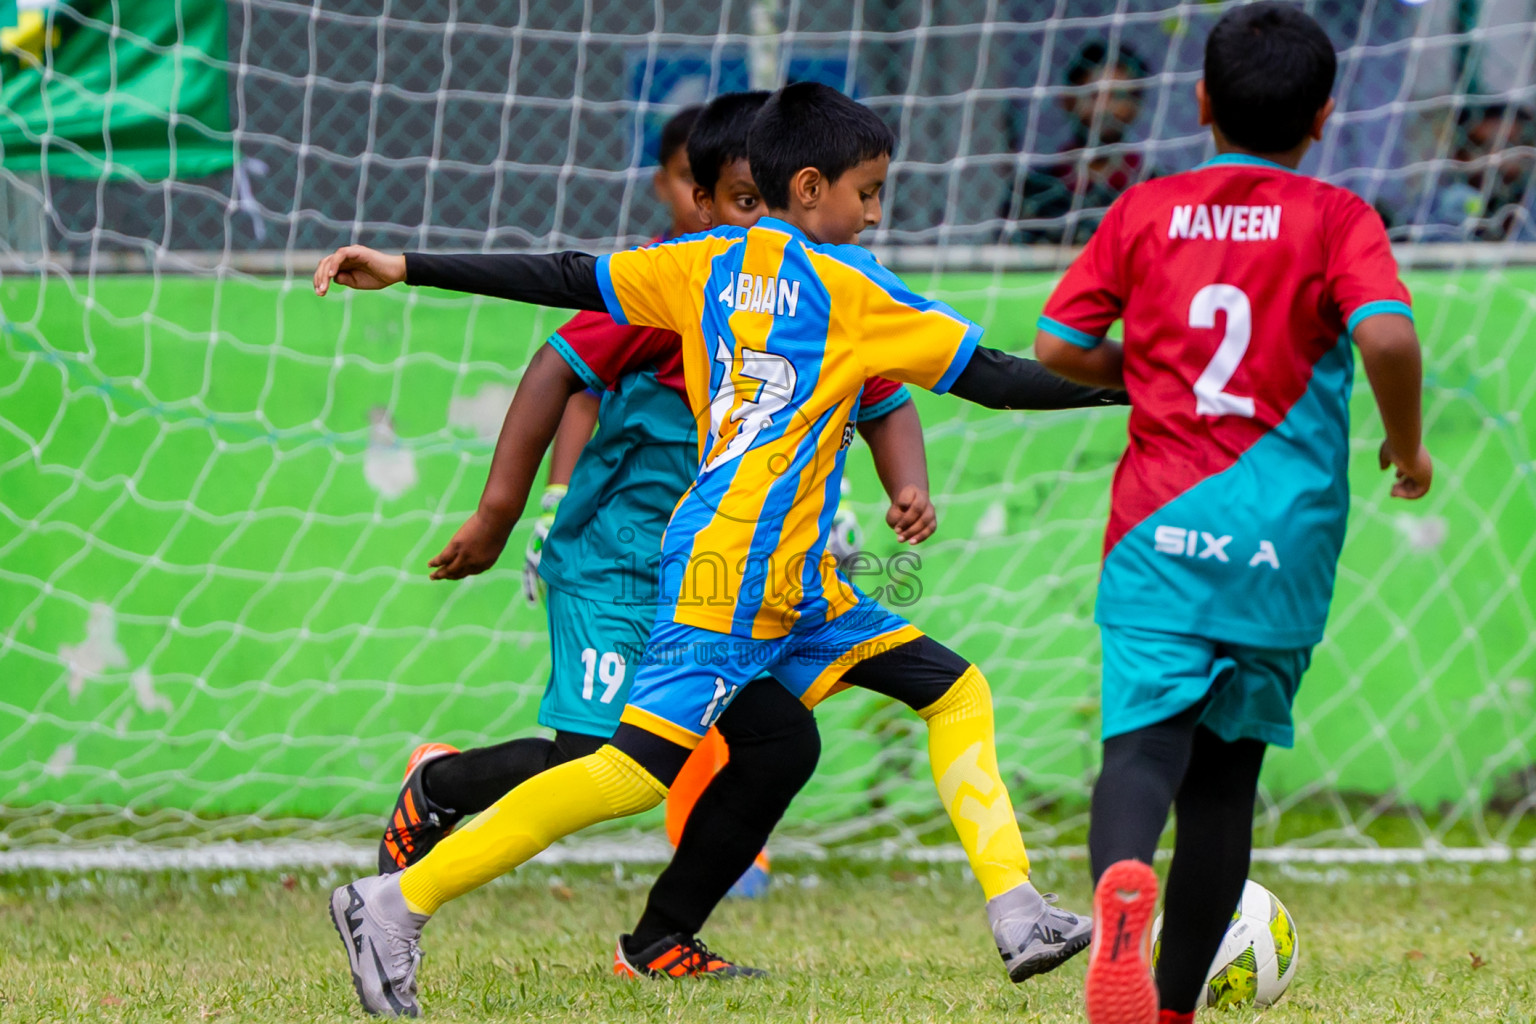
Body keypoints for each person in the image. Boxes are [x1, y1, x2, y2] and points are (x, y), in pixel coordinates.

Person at [315, 82, 1125, 1017]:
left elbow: (567, 273)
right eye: (868, 191)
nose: (874, 211)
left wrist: (407, 264)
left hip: (796, 582)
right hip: (733, 575)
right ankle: (392, 905)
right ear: (811, 188)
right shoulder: (856, 290)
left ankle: (1018, 910)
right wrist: (1142, 381)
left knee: (952, 688)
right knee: (625, 772)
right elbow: (993, 379)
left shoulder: (699, 264)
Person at [374, 92, 943, 979]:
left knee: (779, 741)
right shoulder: (675, 284)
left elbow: (886, 400)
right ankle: (439, 789)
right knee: (602, 759)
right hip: (618, 567)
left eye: (771, 201)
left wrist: (901, 486)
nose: (764, 223)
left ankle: (659, 941)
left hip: (714, 584)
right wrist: (501, 513)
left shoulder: (820, 304)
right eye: (738, 200)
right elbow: (554, 372)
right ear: (699, 202)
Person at [1031, 6, 1433, 1023]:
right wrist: (1409, 442)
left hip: (1157, 526)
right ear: (1327, 115)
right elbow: (1386, 339)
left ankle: (1122, 895)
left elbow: (1055, 344)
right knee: (1224, 784)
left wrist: (1152, 376)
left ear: (1200, 101)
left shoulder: (1144, 207)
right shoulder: (1340, 216)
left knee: (1141, 747)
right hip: (1280, 535)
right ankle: (1171, 1011)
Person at [1003, 41, 1151, 244]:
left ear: (1136, 106)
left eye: (1117, 96)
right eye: (1093, 96)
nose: (1103, 110)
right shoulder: (1032, 192)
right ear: (1068, 100)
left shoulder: (1155, 187)